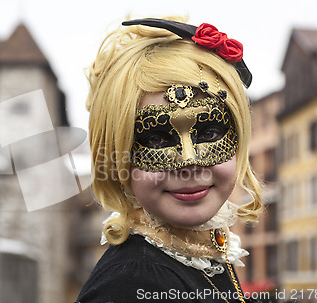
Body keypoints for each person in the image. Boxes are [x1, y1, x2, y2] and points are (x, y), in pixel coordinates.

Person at [76, 16, 263, 303]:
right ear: (119, 156)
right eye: (156, 139)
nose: (189, 162)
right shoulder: (132, 282)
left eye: (210, 131)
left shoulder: (200, 252)